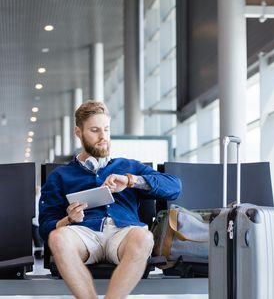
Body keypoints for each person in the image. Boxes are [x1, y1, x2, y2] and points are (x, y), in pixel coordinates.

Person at [39, 100, 181, 299]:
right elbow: (45, 228)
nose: (103, 137)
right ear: (78, 132)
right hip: (83, 234)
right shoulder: (60, 176)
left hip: (123, 233)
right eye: (95, 130)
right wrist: (68, 220)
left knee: (144, 237)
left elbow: (174, 187)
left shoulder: (128, 167)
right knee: (57, 238)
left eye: (106, 129)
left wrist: (132, 181)